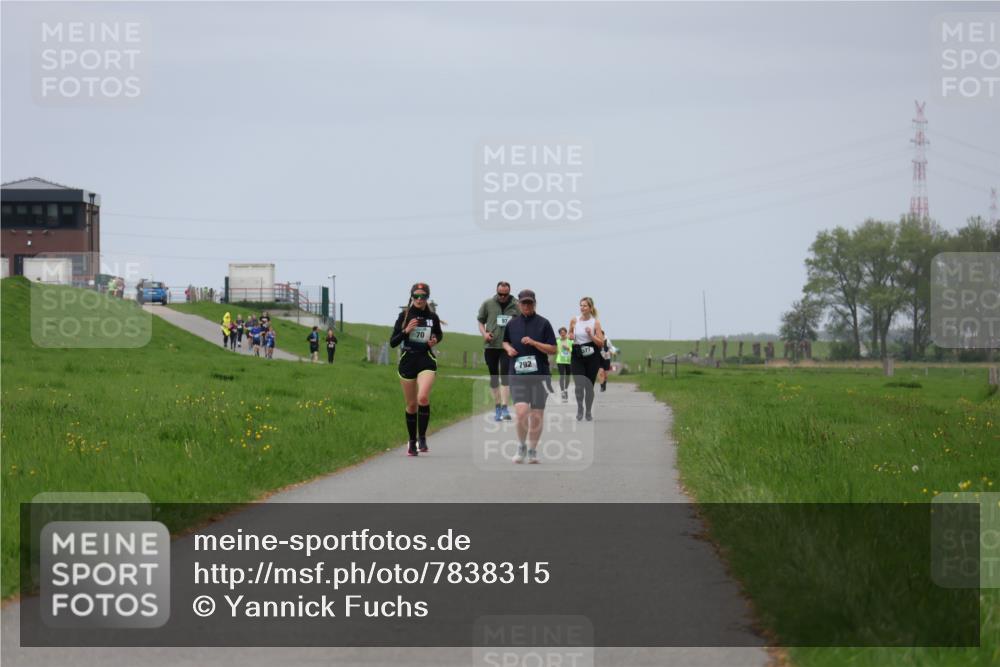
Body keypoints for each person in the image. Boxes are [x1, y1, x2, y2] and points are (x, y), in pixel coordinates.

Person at [502, 289, 557, 464]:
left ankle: (532, 450)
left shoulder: (544, 323)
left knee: (537, 416)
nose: (527, 306)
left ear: (535, 304)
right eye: (523, 303)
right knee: (521, 412)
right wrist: (508, 348)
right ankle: (521, 446)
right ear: (518, 304)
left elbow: (553, 349)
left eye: (530, 303)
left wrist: (534, 343)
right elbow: (505, 341)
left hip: (539, 375)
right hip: (517, 374)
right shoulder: (512, 324)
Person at [389, 282, 443, 457]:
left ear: (427, 298)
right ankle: (412, 441)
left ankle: (422, 438)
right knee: (411, 405)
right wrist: (406, 330)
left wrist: (434, 340)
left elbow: (439, 334)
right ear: (412, 297)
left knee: (423, 397)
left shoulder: (432, 317)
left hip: (426, 359)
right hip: (408, 360)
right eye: (416, 296)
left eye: (423, 296)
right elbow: (393, 342)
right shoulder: (404, 315)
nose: (420, 299)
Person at [477, 281, 519, 422]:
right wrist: (484, 334)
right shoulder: (488, 303)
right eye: (500, 294)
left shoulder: (516, 305)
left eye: (505, 294)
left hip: (507, 346)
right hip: (491, 345)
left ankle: (505, 407)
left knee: (505, 376)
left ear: (509, 292)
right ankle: (497, 406)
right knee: (494, 377)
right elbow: (480, 321)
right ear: (496, 291)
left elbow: (522, 322)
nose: (502, 297)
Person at [569, 296, 605, 421]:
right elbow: (570, 334)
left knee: (589, 386)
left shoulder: (595, 322)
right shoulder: (574, 320)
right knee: (579, 385)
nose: (582, 308)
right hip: (577, 354)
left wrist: (591, 335)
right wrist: (571, 336)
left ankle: (588, 410)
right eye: (581, 305)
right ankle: (580, 408)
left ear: (590, 308)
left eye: (585, 305)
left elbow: (600, 343)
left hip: (591, 355)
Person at [555, 327, 573, 403]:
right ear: (559, 334)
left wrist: (567, 348)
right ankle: (562, 392)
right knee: (562, 375)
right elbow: (554, 348)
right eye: (561, 332)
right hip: (560, 360)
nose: (562, 333)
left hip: (568, 361)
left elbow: (572, 350)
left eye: (564, 332)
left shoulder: (570, 341)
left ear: (566, 333)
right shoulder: (557, 341)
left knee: (568, 376)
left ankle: (566, 389)